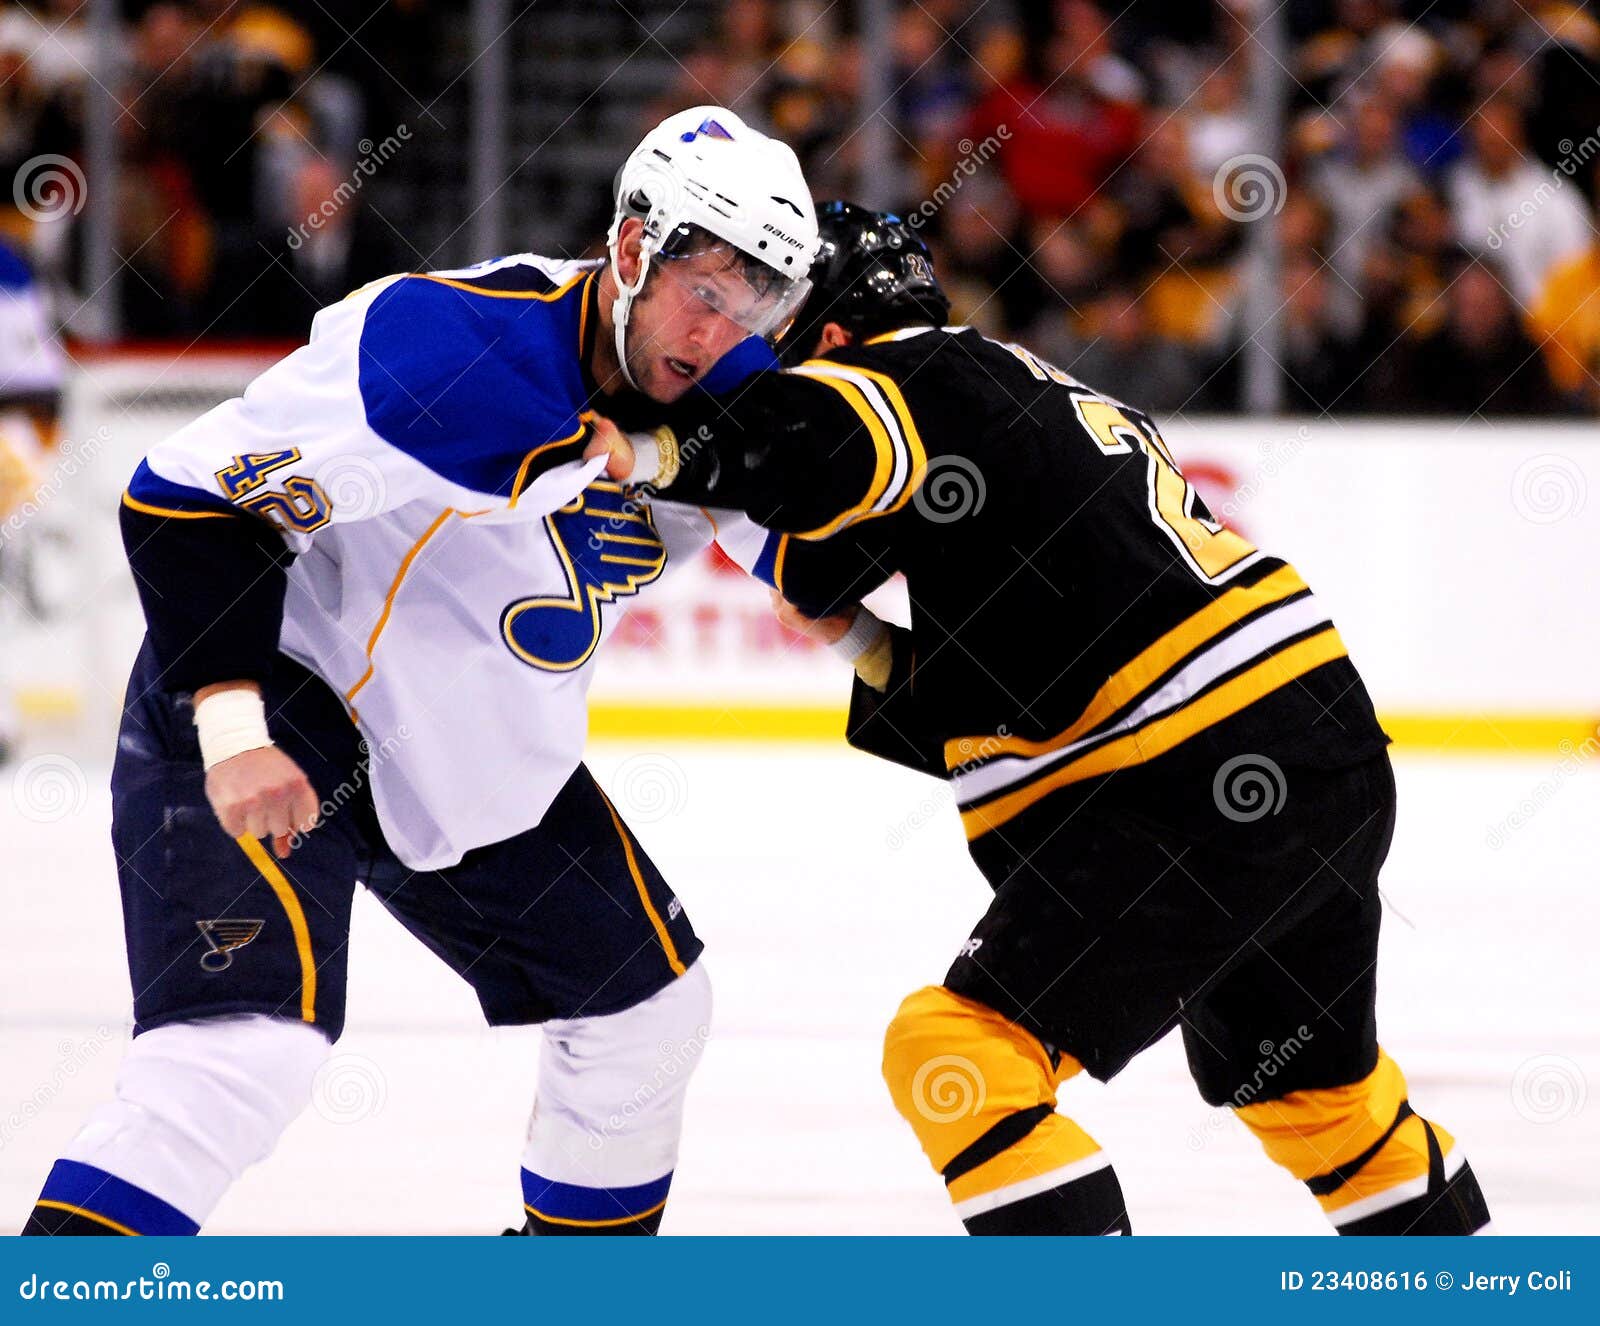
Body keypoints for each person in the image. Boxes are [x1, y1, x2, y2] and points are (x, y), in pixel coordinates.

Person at [591, 202, 1493, 1237]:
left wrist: (643, 452)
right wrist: (850, 636)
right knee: (1319, 1104)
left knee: (955, 1059)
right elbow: (1005, 687)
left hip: (1189, 780)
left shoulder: (905, 378)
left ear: (830, 336)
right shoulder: (1012, 400)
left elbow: (807, 444)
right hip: (1310, 759)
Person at [21, 106, 818, 1238]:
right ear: (633, 249)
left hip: (469, 754)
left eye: (760, 307)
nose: (727, 333)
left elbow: (824, 561)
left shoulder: (724, 392)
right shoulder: (451, 350)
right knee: (238, 1060)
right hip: (287, 696)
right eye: (709, 293)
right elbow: (184, 500)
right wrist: (234, 730)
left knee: (647, 1015)